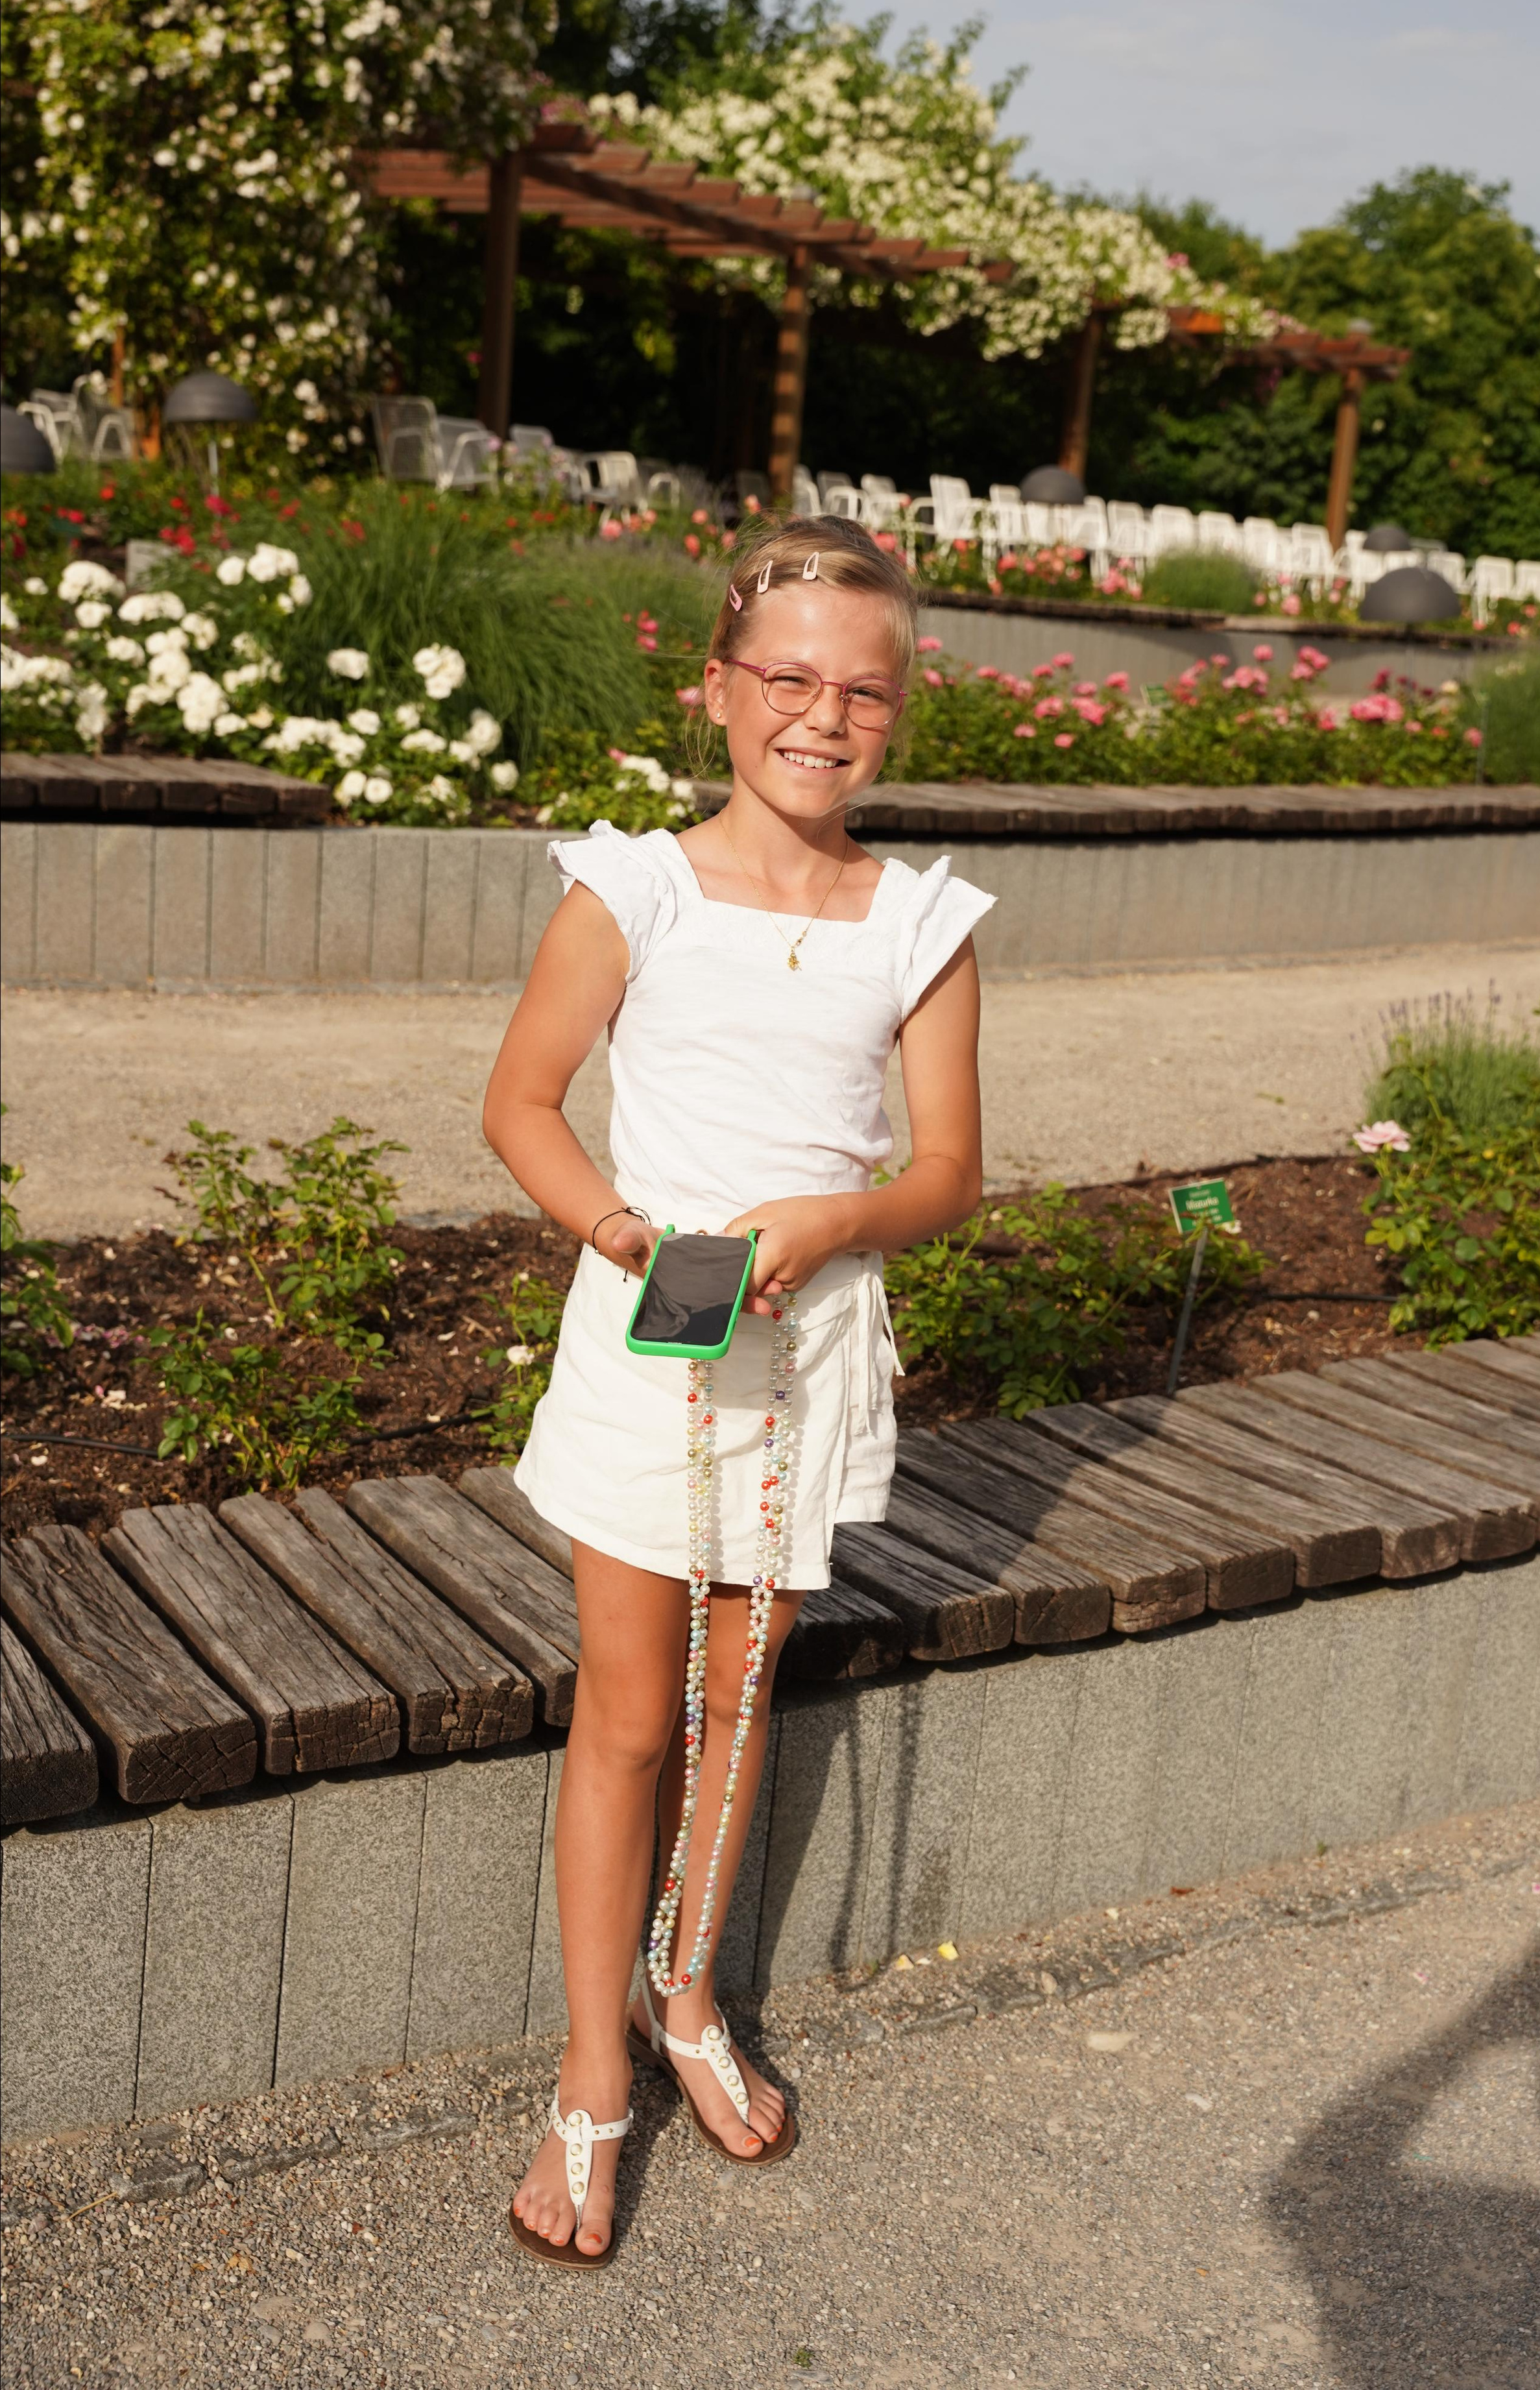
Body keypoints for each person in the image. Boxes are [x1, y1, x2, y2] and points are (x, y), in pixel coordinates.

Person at [482, 511, 994, 2268]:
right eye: (787, 678)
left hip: (810, 1358)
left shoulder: (922, 923)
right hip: (653, 1345)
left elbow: (948, 1172)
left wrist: (834, 1219)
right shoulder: (631, 889)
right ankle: (591, 2063)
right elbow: (522, 1105)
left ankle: (686, 1991)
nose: (822, 716)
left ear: (898, 710)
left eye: (865, 690)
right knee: (630, 1714)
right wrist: (631, 1237)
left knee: (739, 1695)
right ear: (716, 689)